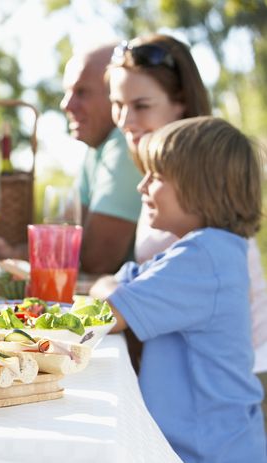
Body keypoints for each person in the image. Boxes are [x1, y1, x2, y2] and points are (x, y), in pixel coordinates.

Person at [89, 116, 266, 462]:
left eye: (156, 177)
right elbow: (121, 286)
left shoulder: (204, 256)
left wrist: (108, 287)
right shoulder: (201, 252)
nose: (142, 187)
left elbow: (109, 311)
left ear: (202, 188)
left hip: (207, 453)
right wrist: (112, 287)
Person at [108, 32, 267, 411]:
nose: (125, 121)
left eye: (140, 105)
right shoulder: (193, 228)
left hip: (223, 401)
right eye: (117, 104)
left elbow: (113, 309)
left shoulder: (203, 250)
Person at [0, 43, 142, 275]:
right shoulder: (97, 149)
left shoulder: (124, 143)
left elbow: (96, 260)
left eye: (82, 92)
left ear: (116, 94)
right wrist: (9, 253)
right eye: (67, 92)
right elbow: (68, 241)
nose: (65, 104)